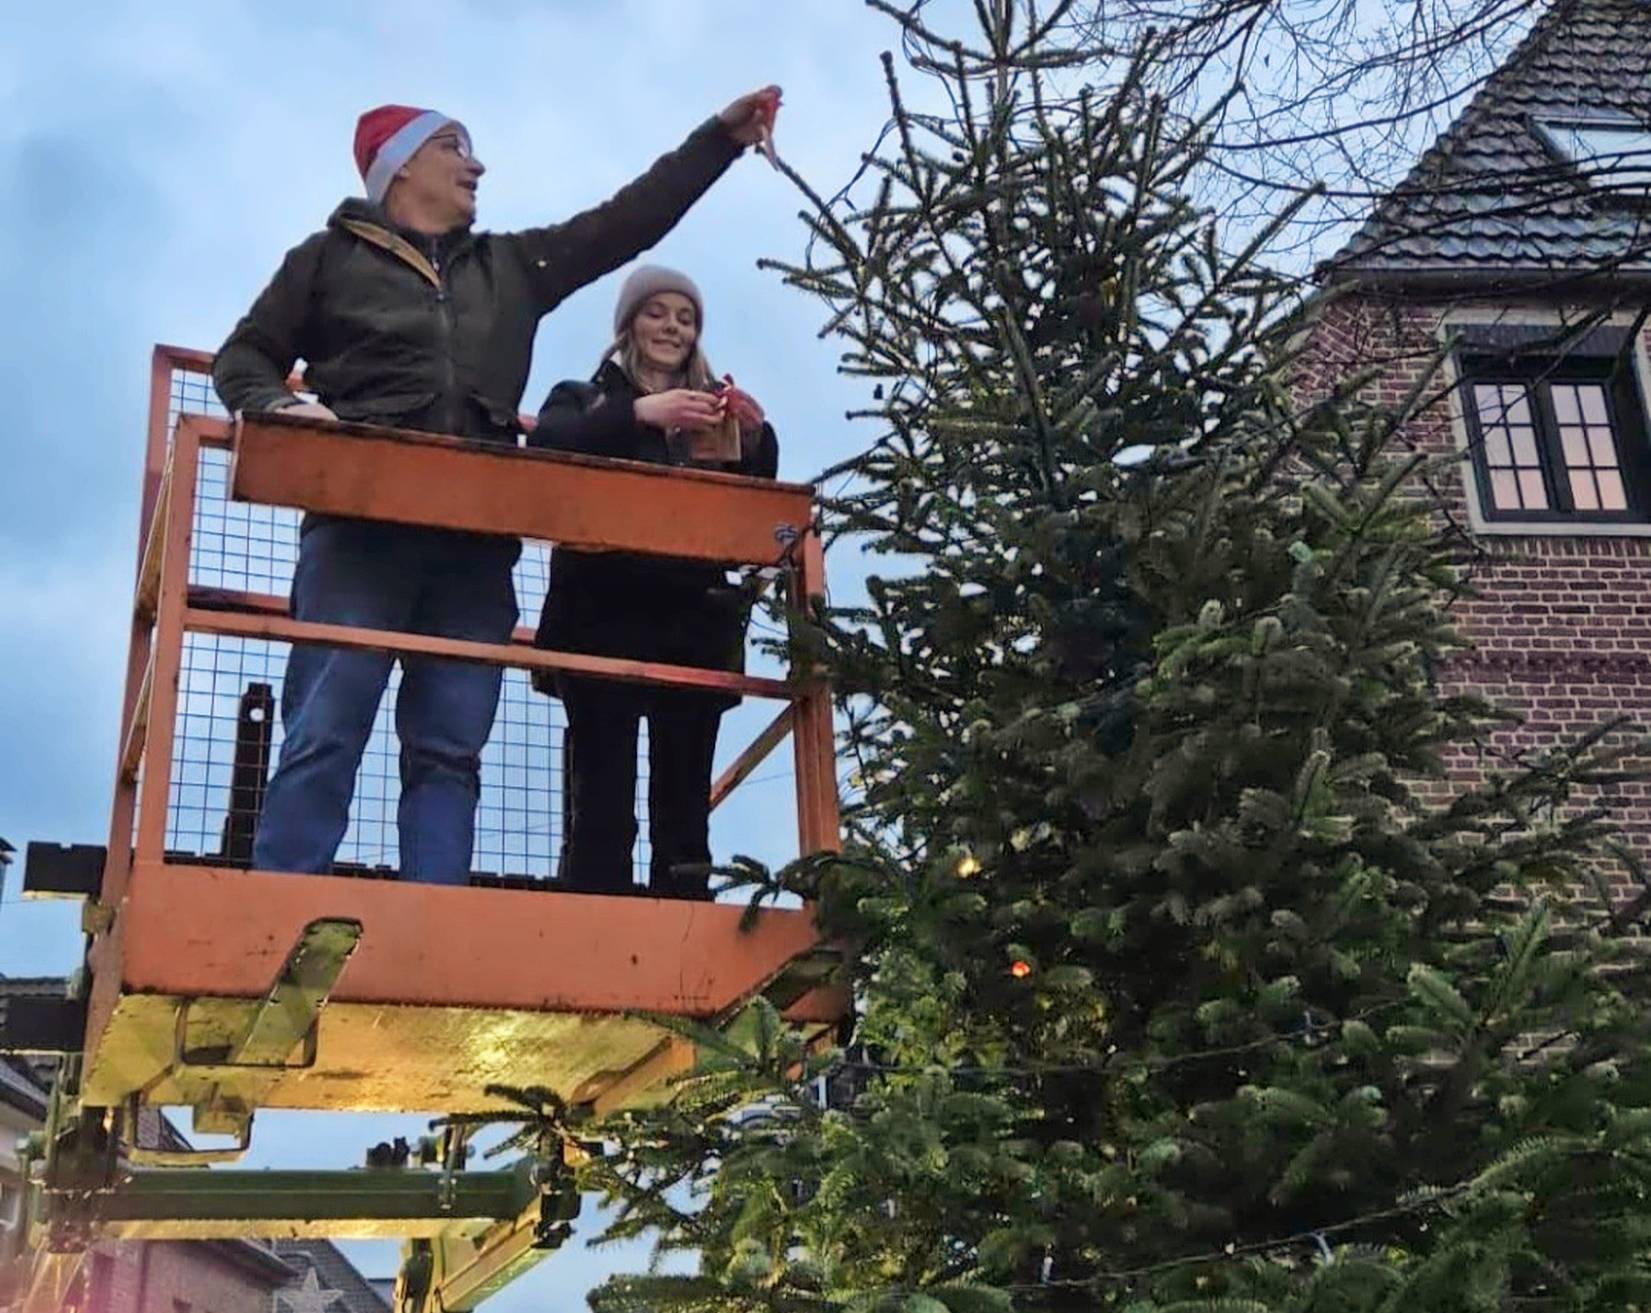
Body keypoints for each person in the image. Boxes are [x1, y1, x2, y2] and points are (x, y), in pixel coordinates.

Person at [212, 91, 782, 884]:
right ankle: (274, 909)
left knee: (450, 748)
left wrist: (718, 139)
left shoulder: (511, 267)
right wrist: (284, 406)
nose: (474, 163)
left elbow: (628, 220)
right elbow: (241, 359)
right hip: (357, 534)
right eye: (453, 147)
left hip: (473, 548)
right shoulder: (325, 260)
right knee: (325, 729)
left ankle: (431, 920)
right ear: (401, 163)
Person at [529, 266, 778, 898]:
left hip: (692, 626)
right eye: (657, 312)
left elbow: (754, 506)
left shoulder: (711, 416)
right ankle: (591, 927)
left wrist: (754, 439)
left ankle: (687, 931)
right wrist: (639, 413)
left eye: (686, 317)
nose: (672, 327)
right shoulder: (582, 397)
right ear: (629, 323)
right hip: (601, 624)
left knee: (685, 808)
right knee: (603, 800)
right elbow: (551, 446)